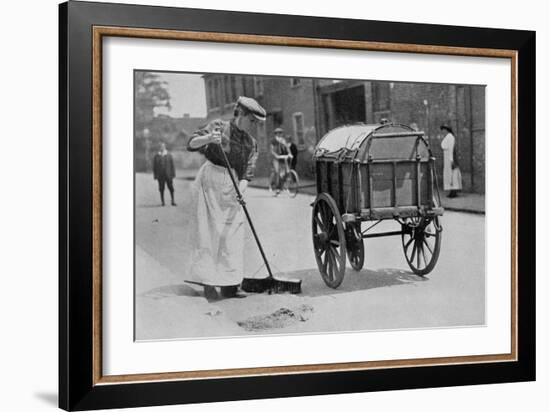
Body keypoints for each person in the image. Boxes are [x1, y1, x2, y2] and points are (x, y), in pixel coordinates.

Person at [185, 96, 265, 301]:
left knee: (233, 234)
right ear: (242, 115)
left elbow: (248, 172)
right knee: (209, 232)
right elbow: (191, 143)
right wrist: (209, 139)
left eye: (257, 123)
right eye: (252, 121)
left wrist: (241, 190)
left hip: (233, 185)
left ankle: (231, 284)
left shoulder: (251, 143)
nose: (254, 126)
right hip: (209, 181)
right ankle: (208, 282)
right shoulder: (219, 126)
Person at [440, 124, 462, 198]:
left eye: (443, 129)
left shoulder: (450, 137)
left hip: (449, 157)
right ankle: (451, 191)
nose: (442, 131)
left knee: (452, 175)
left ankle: (454, 192)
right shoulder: (447, 137)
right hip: (446, 157)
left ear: (447, 129)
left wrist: (451, 160)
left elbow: (451, 149)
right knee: (449, 175)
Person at [153, 142, 176, 206]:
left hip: (168, 175)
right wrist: (155, 176)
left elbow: (172, 165)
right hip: (160, 176)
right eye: (160, 146)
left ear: (165, 147)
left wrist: (173, 174)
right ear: (159, 148)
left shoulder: (169, 155)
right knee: (161, 188)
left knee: (171, 188)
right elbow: (154, 167)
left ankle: (173, 201)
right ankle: (162, 202)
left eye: (163, 146)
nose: (162, 148)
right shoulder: (157, 156)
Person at [270, 127, 292, 193]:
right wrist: (275, 155)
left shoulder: (283, 140)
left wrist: (290, 154)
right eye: (278, 133)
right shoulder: (273, 141)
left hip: (282, 158)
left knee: (286, 172)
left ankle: (284, 187)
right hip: (276, 158)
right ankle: (275, 187)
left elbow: (287, 148)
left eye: (281, 133)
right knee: (277, 172)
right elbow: (271, 150)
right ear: (275, 134)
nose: (279, 134)